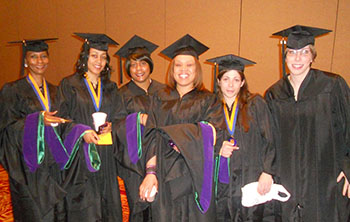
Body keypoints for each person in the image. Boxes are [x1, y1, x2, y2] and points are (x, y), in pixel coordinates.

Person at [266, 25, 350, 221]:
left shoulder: (332, 85)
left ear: (312, 56)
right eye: (292, 53)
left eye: (304, 52)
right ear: (285, 57)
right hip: (288, 179)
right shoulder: (274, 93)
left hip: (326, 177)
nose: (297, 59)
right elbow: (268, 140)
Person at [142, 34, 223, 222]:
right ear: (172, 69)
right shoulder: (160, 98)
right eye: (178, 65)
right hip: (164, 174)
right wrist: (150, 173)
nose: (183, 70)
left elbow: (213, 134)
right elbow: (151, 137)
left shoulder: (208, 100)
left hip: (194, 176)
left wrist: (177, 138)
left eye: (189, 65)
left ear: (197, 69)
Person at [55, 33, 124, 222]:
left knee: (107, 202)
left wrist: (113, 126)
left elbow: (121, 116)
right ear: (85, 57)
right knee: (85, 204)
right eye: (94, 56)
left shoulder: (111, 87)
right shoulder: (69, 84)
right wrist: (81, 131)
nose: (99, 61)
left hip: (106, 152)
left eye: (103, 57)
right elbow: (62, 119)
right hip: (81, 155)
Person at [0, 38, 68, 221]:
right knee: (35, 213)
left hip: (54, 162)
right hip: (29, 166)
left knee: (58, 212)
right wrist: (37, 120)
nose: (39, 61)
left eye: (43, 56)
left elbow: (65, 123)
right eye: (33, 57)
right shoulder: (12, 90)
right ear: (25, 60)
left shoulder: (56, 91)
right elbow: (6, 127)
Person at [207, 54, 279, 221]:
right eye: (225, 79)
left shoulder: (255, 104)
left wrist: (268, 172)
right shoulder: (210, 108)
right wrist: (218, 150)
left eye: (236, 79)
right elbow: (201, 143)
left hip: (251, 177)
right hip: (223, 183)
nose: (230, 85)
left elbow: (271, 139)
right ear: (218, 82)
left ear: (243, 82)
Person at [115, 35, 166, 222]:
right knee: (139, 208)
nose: (139, 69)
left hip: (161, 158)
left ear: (150, 65)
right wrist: (136, 119)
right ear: (128, 68)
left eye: (143, 63)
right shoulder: (121, 94)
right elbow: (115, 126)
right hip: (134, 162)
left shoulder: (165, 91)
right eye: (133, 65)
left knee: (161, 207)